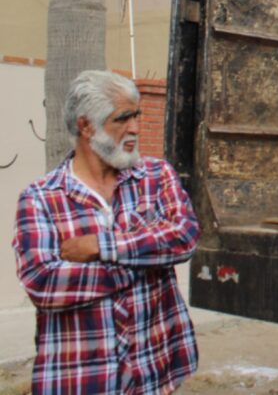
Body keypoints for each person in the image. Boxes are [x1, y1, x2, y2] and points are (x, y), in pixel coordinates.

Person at [12, 70, 200, 394]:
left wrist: (103, 246)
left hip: (154, 372)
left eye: (137, 115)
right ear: (86, 126)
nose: (136, 129)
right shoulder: (41, 198)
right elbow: (43, 282)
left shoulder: (155, 176)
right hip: (81, 377)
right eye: (123, 118)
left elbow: (184, 236)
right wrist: (140, 266)